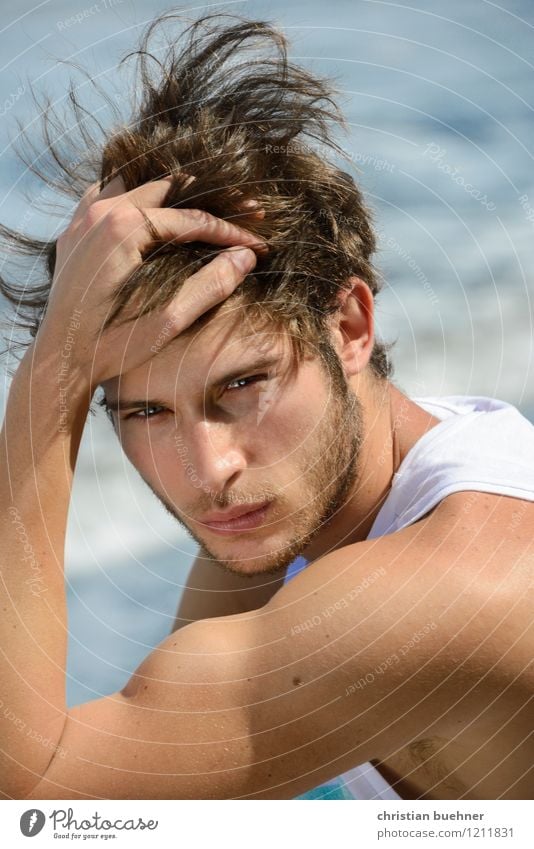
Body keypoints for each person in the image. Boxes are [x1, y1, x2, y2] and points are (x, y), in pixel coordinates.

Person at [0, 12, 532, 802]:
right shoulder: (312, 496)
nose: (210, 469)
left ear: (350, 326)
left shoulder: (454, 584)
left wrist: (50, 382)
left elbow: (43, 804)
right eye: (143, 413)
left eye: (242, 386)